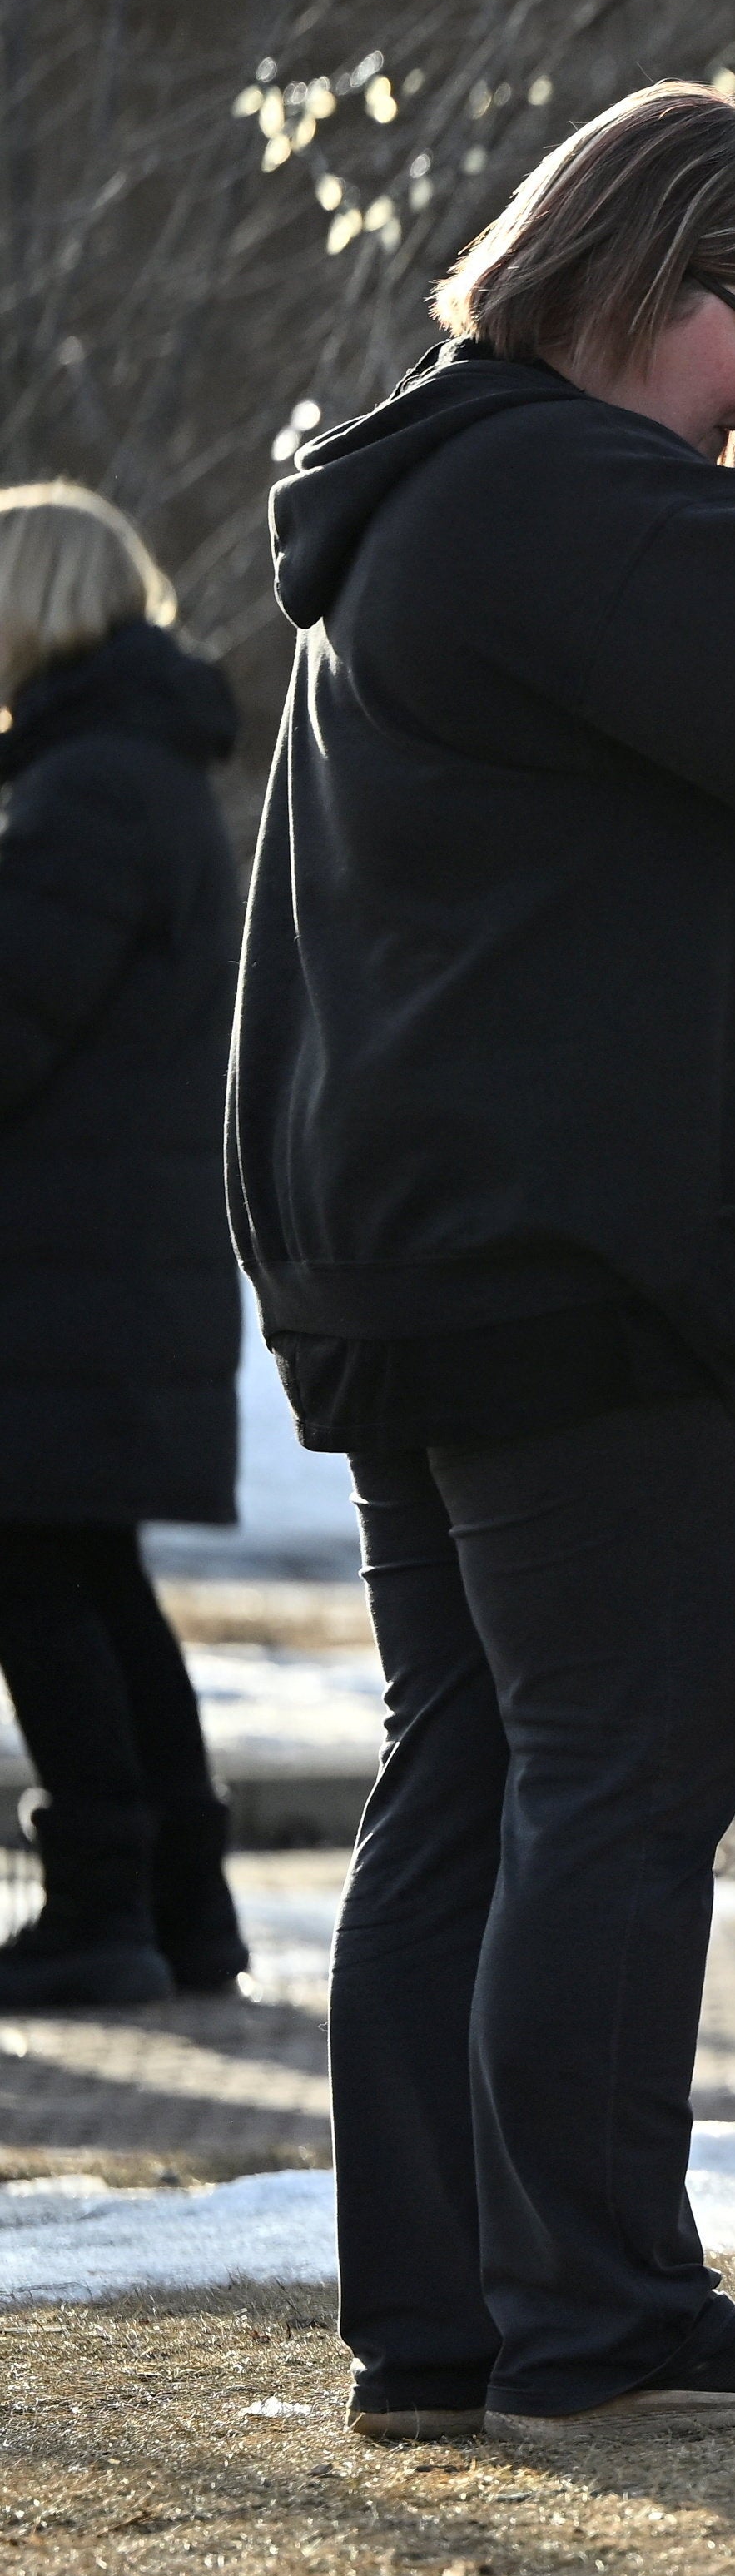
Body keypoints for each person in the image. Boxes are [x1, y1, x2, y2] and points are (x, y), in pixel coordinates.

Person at [241, 84, 735, 2441]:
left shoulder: (450, 500)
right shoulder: (569, 491)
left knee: (474, 1772)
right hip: (590, 1258)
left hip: (439, 1246)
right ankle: (597, 2316)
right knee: (615, 1781)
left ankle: (445, 2319)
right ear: (647, 283)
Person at [0, 484, 246, 2009]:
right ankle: (178, 1904)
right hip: (104, 1268)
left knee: (39, 1574)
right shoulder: (136, 777)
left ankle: (106, 1907)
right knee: (87, 1574)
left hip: (58, 1273)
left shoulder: (85, 792)